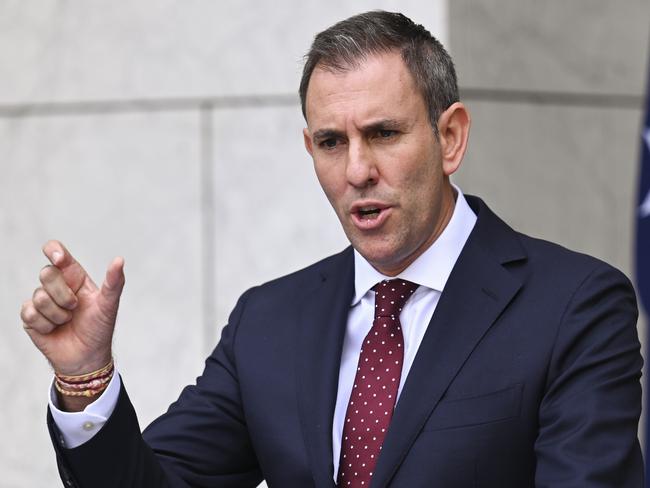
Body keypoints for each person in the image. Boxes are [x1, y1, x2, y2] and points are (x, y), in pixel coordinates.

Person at [21, 11, 643, 488]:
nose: (357, 170)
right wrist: (84, 378)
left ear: (450, 138)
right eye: (330, 142)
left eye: (384, 134)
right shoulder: (268, 322)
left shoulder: (573, 306)